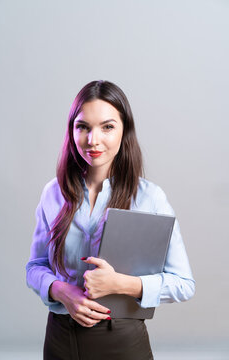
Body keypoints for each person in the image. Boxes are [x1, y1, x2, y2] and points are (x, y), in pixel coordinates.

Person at [26, 80, 195, 360]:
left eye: (107, 127)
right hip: (59, 339)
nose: (93, 140)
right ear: (71, 131)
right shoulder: (52, 193)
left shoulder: (150, 197)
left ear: (124, 130)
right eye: (82, 127)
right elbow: (36, 266)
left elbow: (184, 283)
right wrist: (61, 290)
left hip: (121, 340)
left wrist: (120, 284)